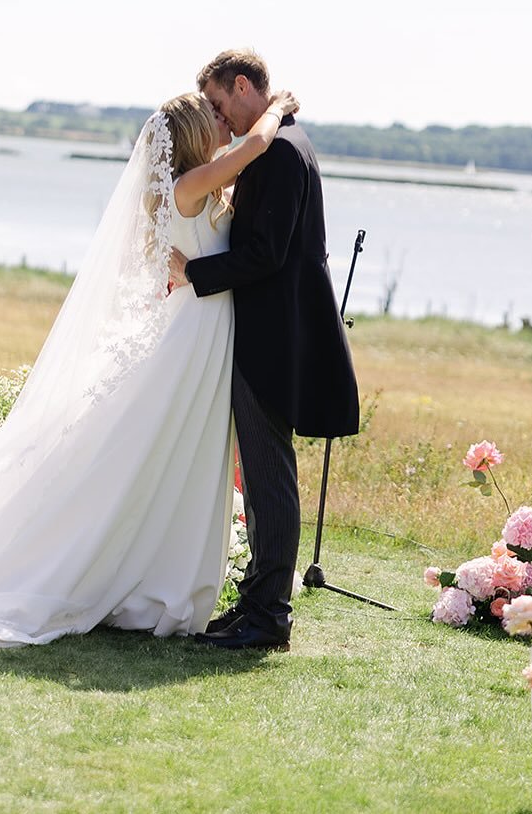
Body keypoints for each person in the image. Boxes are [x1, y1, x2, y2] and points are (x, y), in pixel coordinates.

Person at [0, 87, 299, 647]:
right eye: (214, 118)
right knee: (164, 450)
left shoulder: (205, 186)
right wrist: (276, 107)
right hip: (191, 335)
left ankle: (156, 572)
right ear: (196, 135)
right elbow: (257, 144)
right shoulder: (191, 185)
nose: (225, 123)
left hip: (200, 332)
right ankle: (136, 576)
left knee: (178, 455)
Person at [169, 48, 360, 652]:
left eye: (223, 105)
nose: (220, 122)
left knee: (268, 474)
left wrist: (193, 272)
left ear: (244, 85)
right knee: (259, 473)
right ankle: (256, 601)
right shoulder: (277, 141)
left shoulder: (278, 149)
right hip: (267, 332)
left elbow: (266, 255)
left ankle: (269, 615)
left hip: (274, 339)